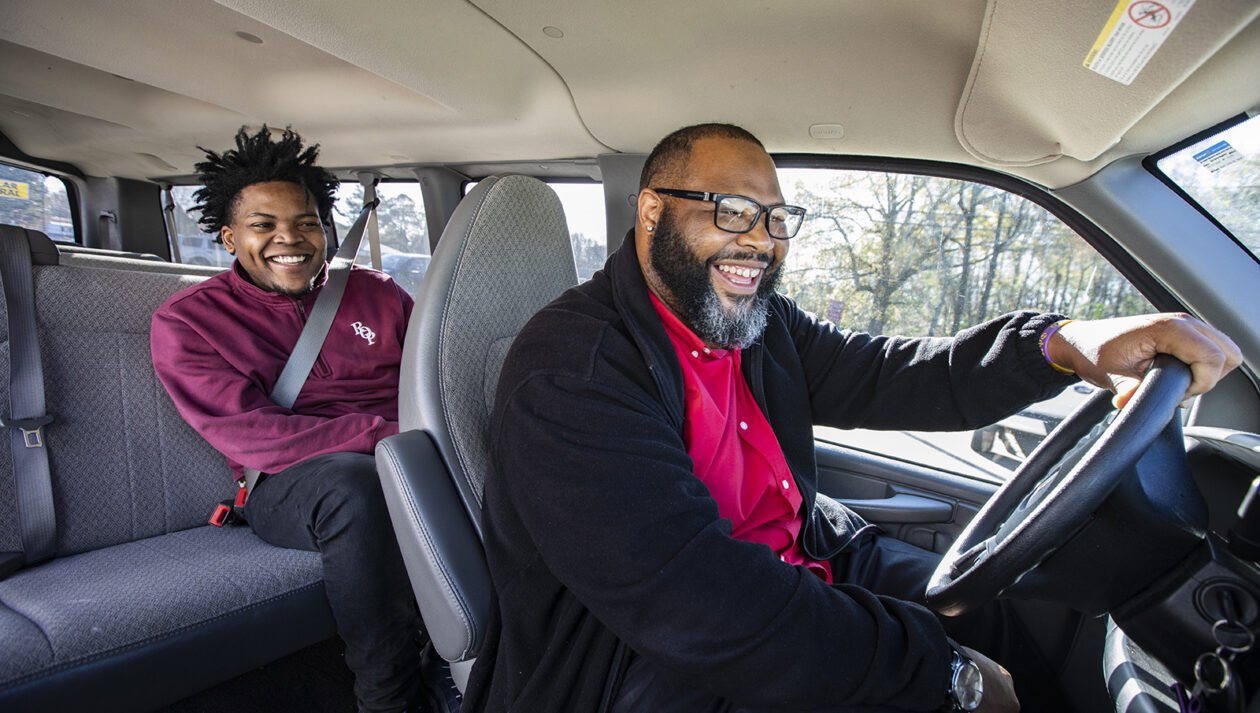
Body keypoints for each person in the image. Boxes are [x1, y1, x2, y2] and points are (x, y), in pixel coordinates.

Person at [462, 123, 1242, 713]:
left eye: (775, 219)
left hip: (791, 564)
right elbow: (703, 606)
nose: (759, 243)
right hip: (633, 661)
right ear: (653, 212)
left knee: (1000, 615)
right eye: (731, 213)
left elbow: (895, 373)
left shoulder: (748, 318)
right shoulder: (575, 372)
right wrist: (943, 674)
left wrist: (1062, 343)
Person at [151, 126, 435, 713]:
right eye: (264, 226)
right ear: (230, 237)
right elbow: (251, 435)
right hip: (292, 483)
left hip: (412, 459)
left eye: (306, 222)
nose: (290, 239)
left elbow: (431, 383)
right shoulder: (189, 322)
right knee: (354, 487)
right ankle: (390, 695)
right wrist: (387, 439)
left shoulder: (379, 294)